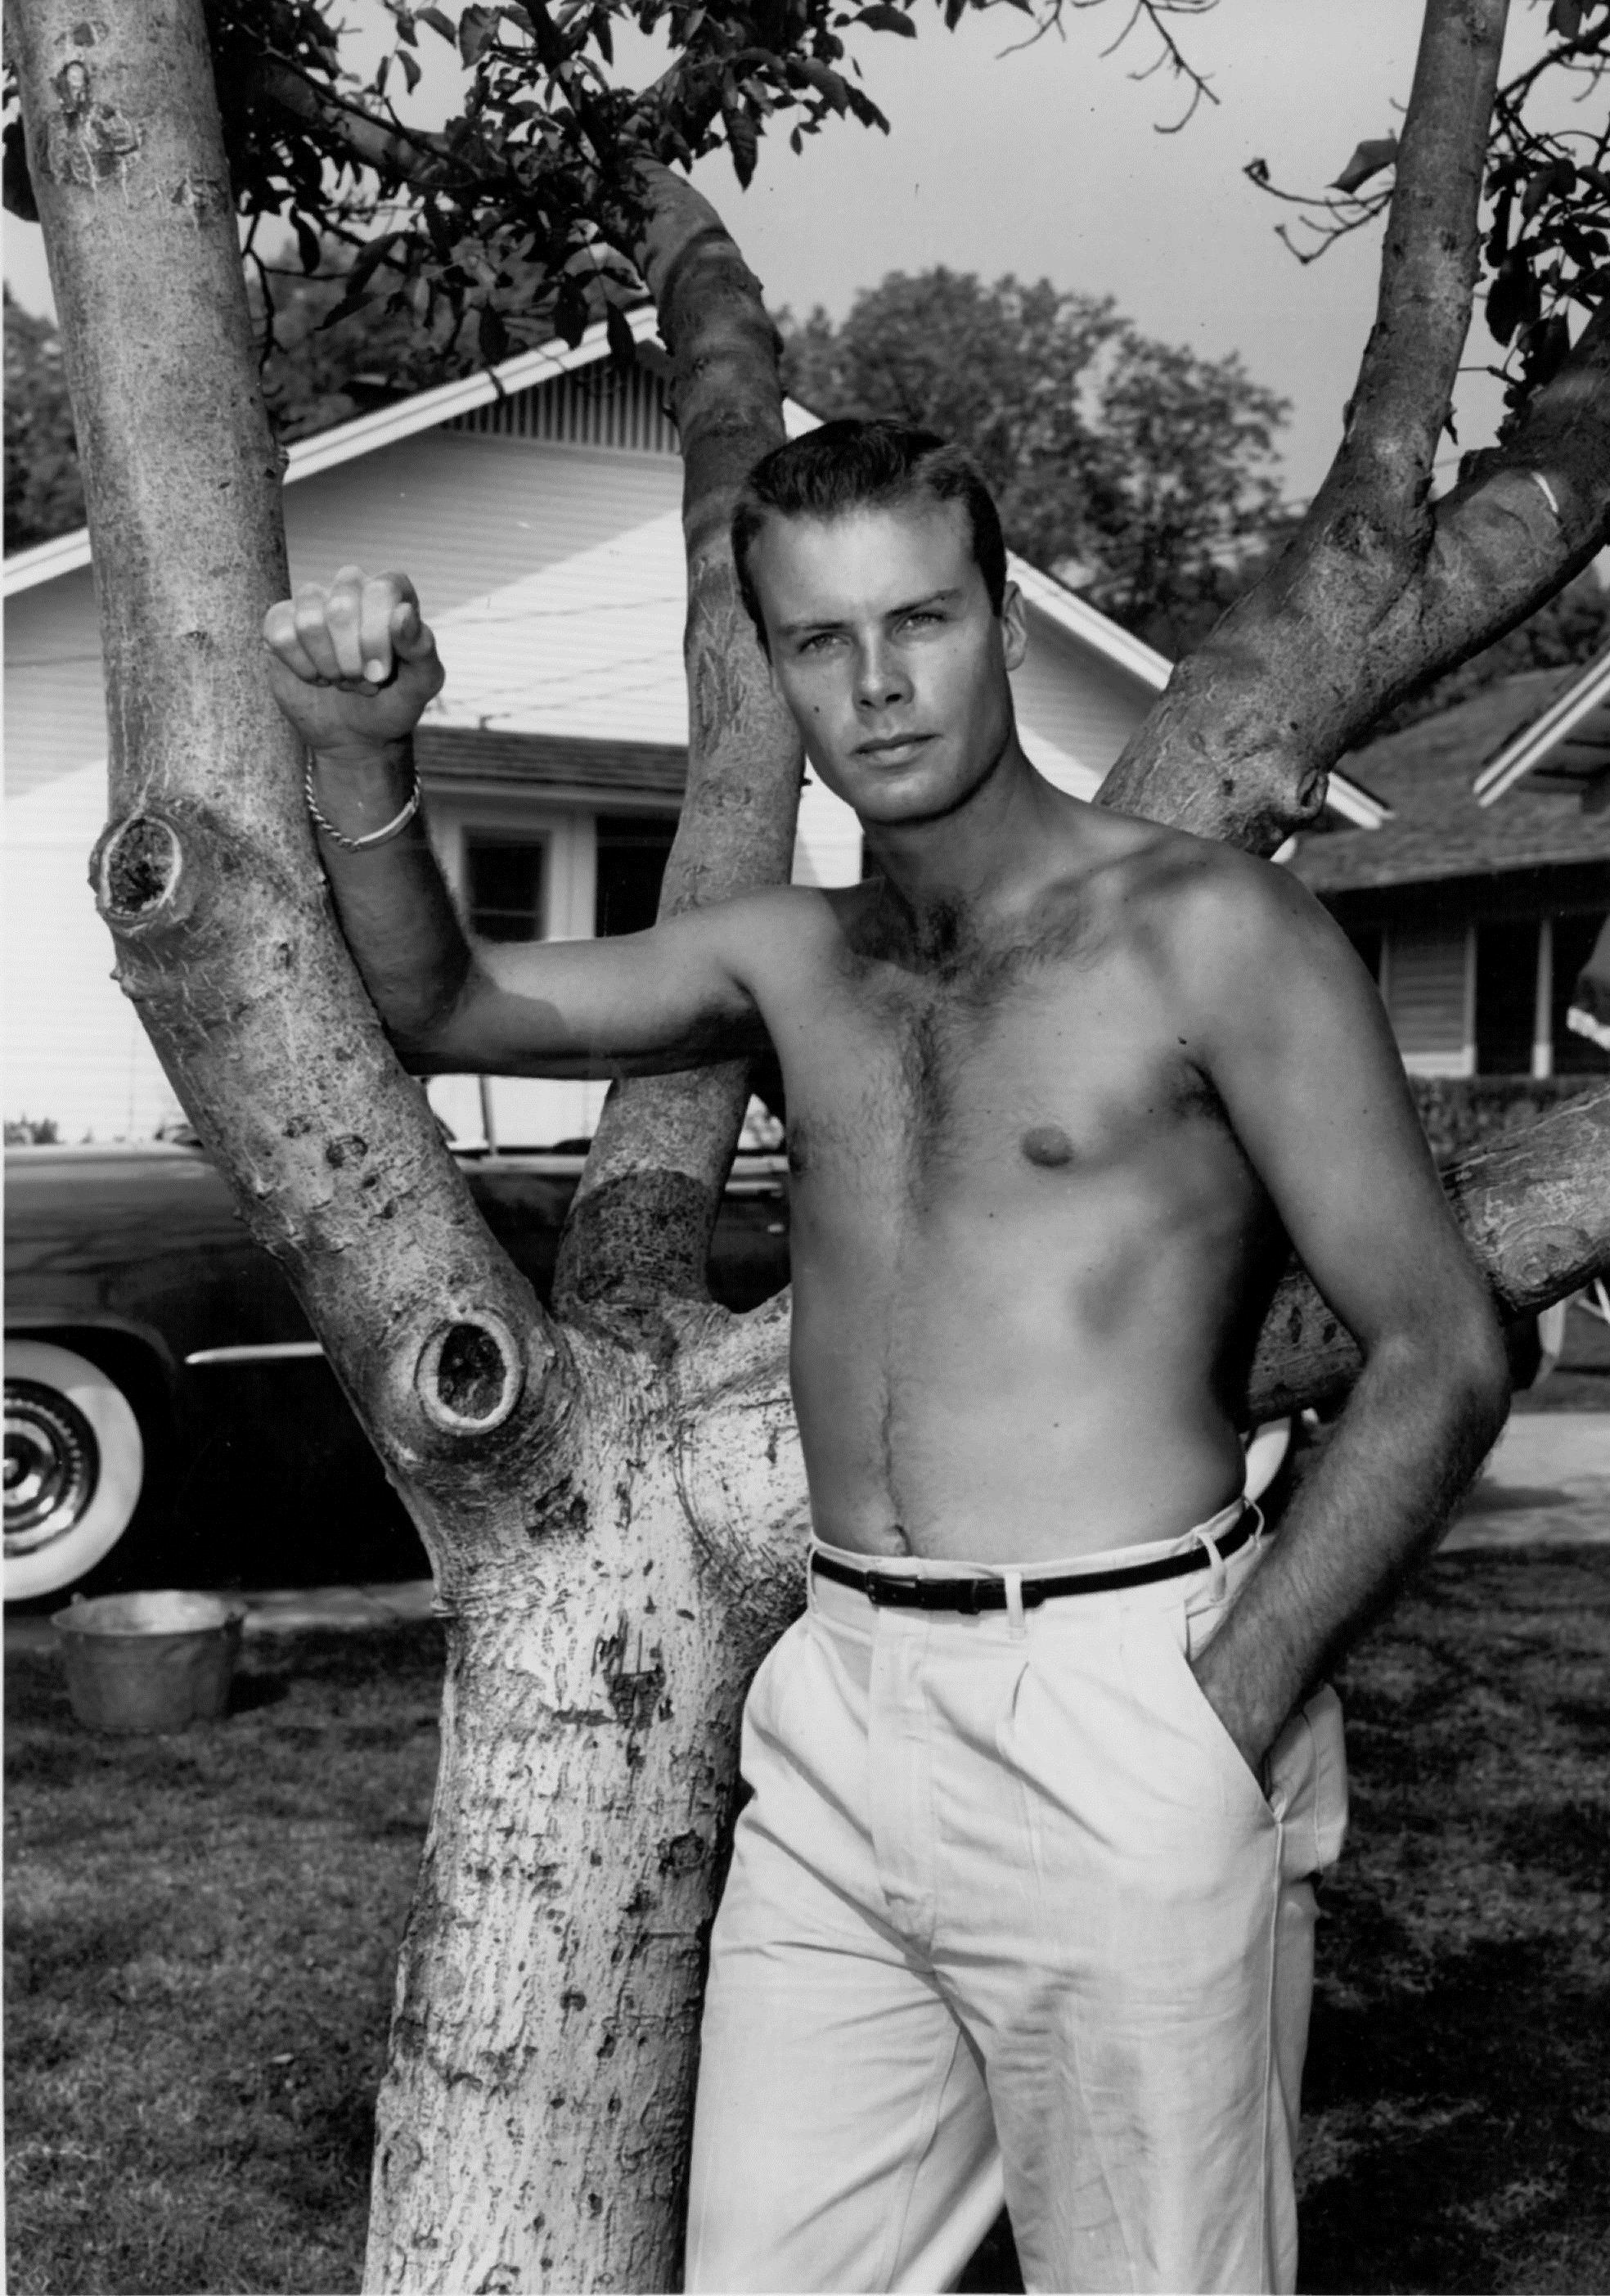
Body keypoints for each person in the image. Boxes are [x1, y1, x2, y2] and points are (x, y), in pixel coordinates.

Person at [263, 419, 1510, 2295]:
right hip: (840, 1713)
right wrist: (365, 754)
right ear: (768, 669)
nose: (877, 681)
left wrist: (1219, 1712)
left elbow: (1440, 1348)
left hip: (1122, 1697)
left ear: (1002, 619)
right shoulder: (786, 957)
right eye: (818, 640)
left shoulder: (1206, 931)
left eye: (919, 619)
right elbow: (444, 1004)